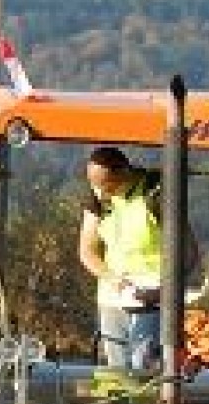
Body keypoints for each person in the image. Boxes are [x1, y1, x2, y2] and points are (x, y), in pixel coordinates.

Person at [77, 146, 196, 376]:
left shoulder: (155, 193)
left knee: (144, 364)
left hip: (153, 297)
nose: (102, 193)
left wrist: (165, 291)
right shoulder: (98, 197)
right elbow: (87, 251)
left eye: (108, 185)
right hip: (113, 296)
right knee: (116, 371)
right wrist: (112, 277)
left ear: (124, 172)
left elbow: (188, 252)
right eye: (96, 185)